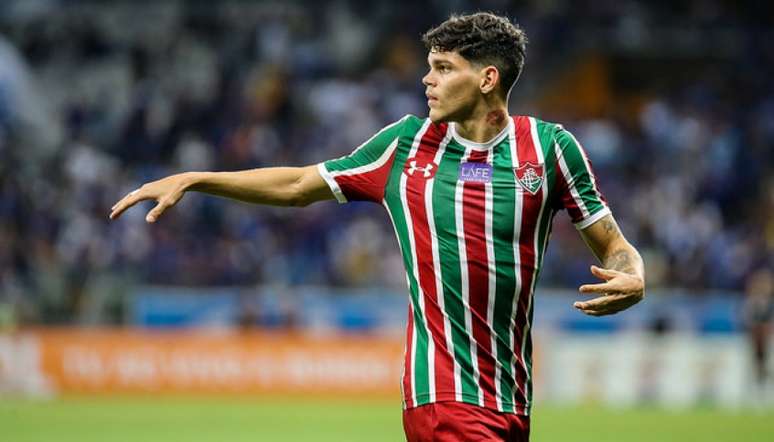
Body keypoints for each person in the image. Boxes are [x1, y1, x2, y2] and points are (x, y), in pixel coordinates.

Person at [110, 12, 645, 442]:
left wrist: (633, 274)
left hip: (513, 398)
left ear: (487, 78)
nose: (426, 80)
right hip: (444, 397)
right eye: (428, 66)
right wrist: (200, 178)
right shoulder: (406, 146)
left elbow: (614, 246)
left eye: (442, 67)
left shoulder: (551, 149)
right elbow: (300, 184)